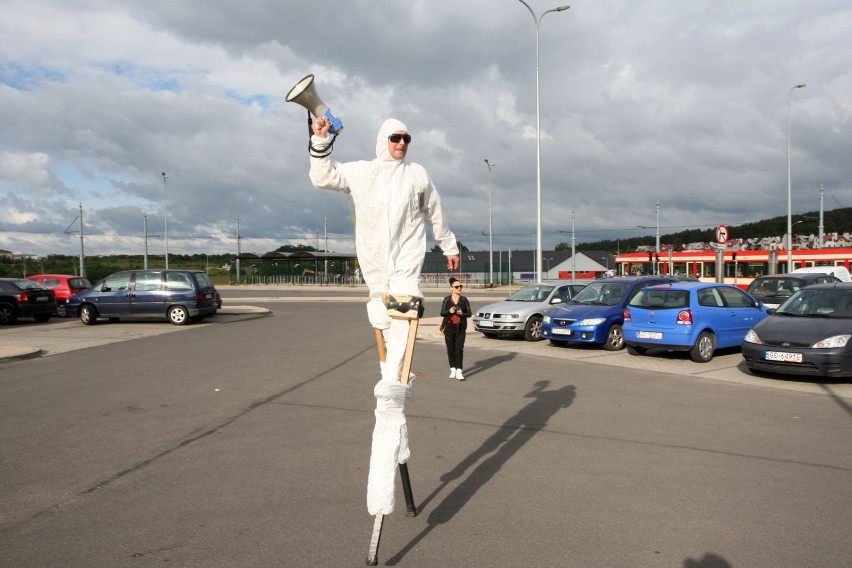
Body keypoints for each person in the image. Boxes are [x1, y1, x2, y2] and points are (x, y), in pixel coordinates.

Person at [307, 115, 460, 518]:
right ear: (383, 140)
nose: (402, 143)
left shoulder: (417, 174)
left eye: (407, 138)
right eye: (396, 137)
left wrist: (448, 245)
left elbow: (436, 212)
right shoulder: (362, 172)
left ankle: (391, 397)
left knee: (395, 364)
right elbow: (323, 177)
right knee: (387, 349)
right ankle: (393, 389)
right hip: (377, 282)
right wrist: (320, 140)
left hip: (406, 278)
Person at [440, 277, 471, 380]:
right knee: (450, 349)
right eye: (457, 287)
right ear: (451, 288)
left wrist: (462, 313)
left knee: (459, 349)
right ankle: (453, 369)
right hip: (449, 327)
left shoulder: (464, 300)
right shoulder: (447, 299)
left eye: (460, 286)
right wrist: (449, 311)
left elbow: (469, 313)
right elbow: (442, 313)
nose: (459, 288)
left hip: (461, 327)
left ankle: (459, 370)